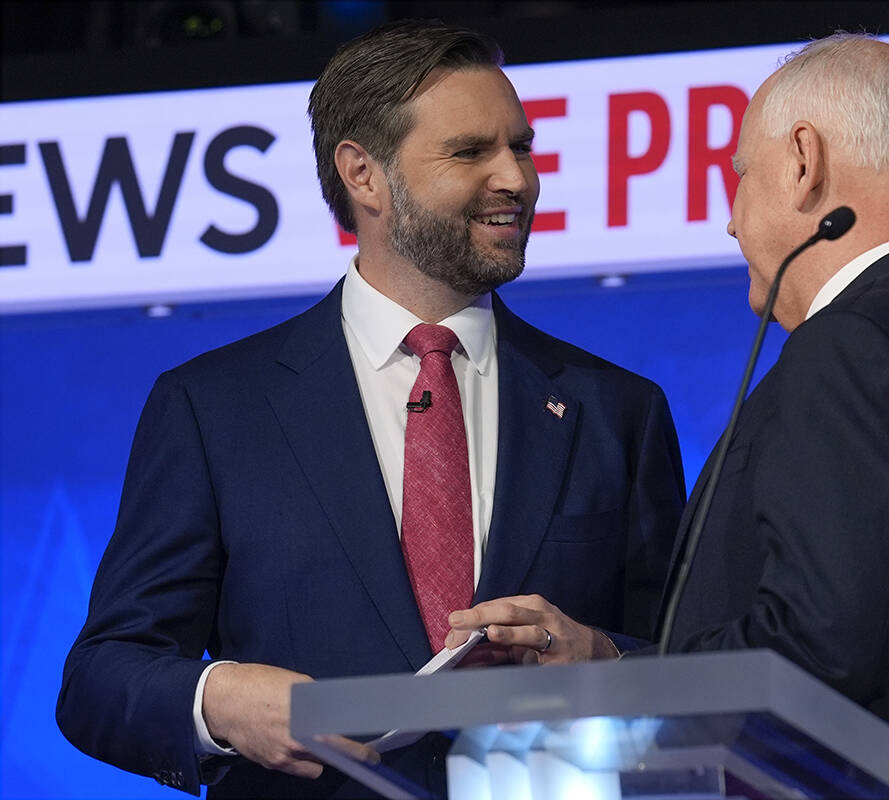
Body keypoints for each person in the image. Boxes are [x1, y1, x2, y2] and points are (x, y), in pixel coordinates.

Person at [56, 19, 684, 799]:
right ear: (363, 174)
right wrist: (218, 700)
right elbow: (101, 675)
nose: (516, 179)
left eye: (520, 147)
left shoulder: (617, 410)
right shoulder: (214, 409)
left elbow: (689, 668)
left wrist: (601, 657)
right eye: (471, 152)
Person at [448, 33, 889, 799]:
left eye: (741, 174)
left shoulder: (851, 350)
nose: (732, 222)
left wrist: (611, 700)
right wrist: (608, 662)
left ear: (804, 162)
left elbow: (811, 656)